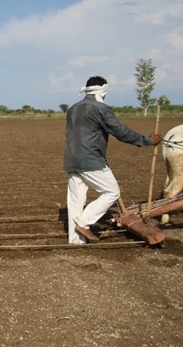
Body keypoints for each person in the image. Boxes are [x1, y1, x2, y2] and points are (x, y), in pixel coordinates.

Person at [64, 76, 162, 244]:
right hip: (91, 160)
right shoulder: (100, 108)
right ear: (103, 91)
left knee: (75, 199)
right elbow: (120, 131)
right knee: (111, 192)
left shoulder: (72, 109)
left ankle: (75, 240)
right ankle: (84, 223)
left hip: (71, 159)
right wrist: (146, 140)